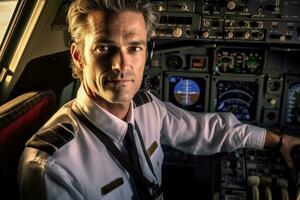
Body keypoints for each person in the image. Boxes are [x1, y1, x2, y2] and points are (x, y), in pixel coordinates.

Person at [18, 0, 300, 199]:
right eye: (104, 47)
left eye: (134, 48)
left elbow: (207, 130)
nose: (121, 64)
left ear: (147, 54)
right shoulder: (51, 165)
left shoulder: (147, 107)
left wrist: (277, 140)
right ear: (79, 56)